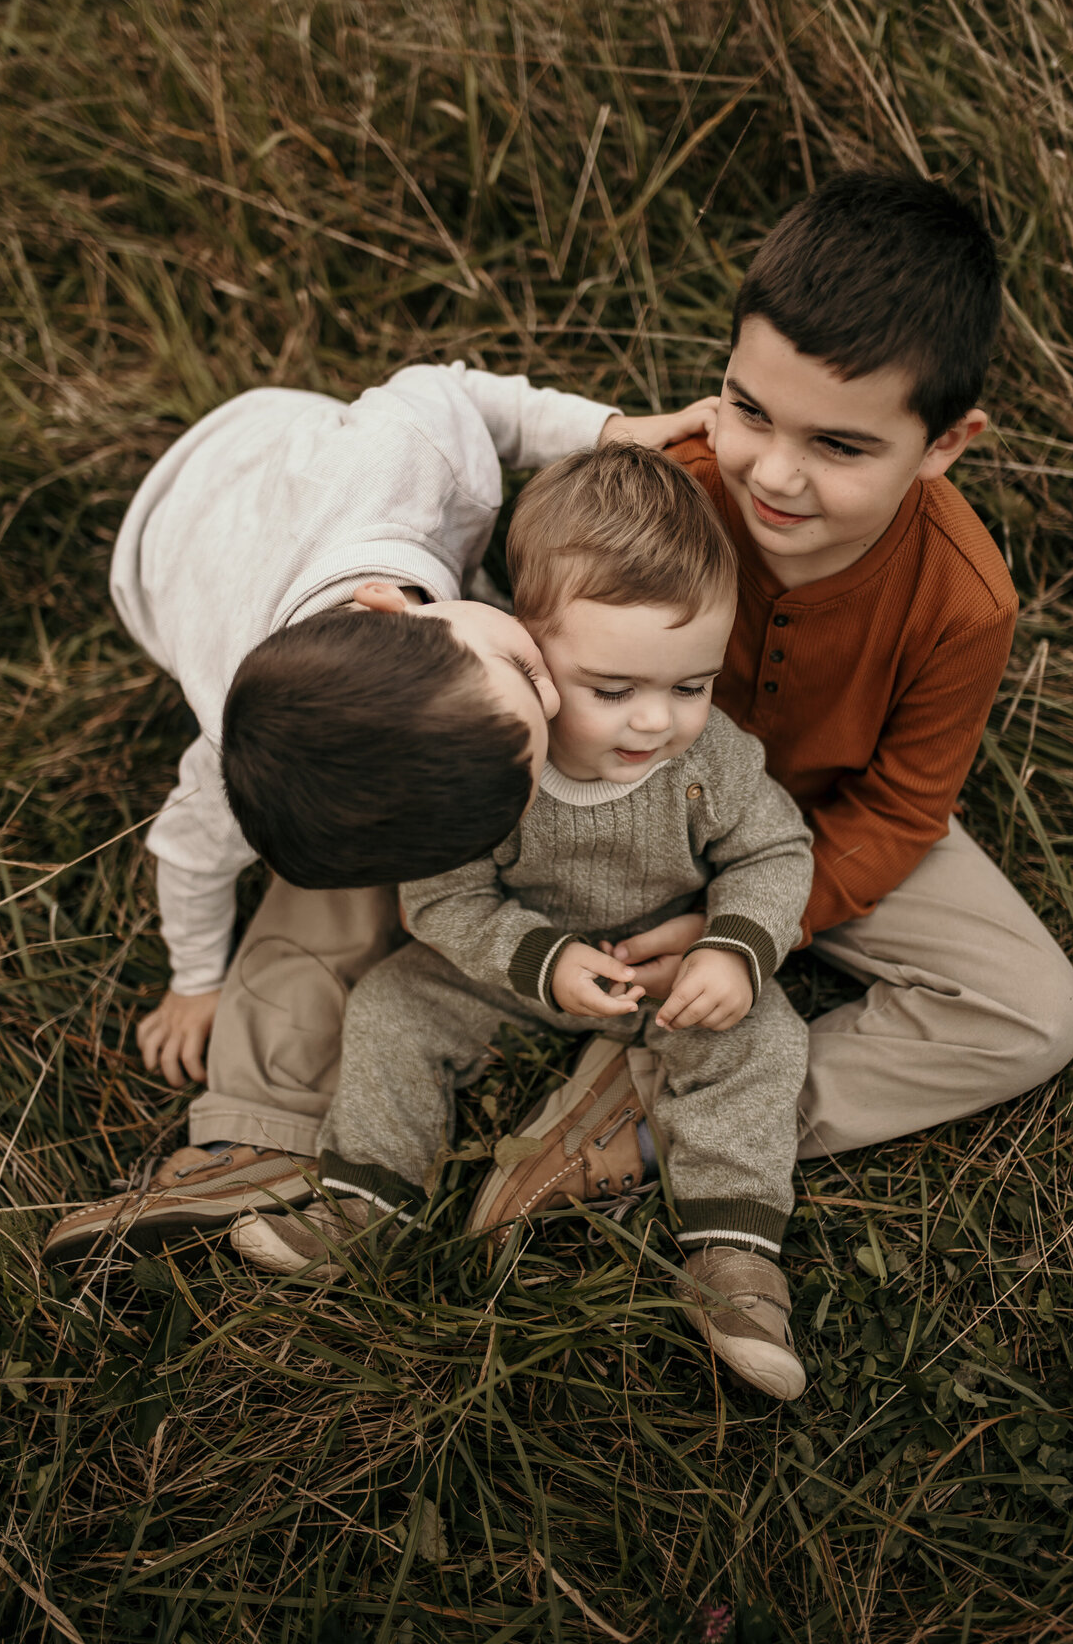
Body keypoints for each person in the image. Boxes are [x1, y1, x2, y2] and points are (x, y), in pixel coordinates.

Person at [42, 366, 714, 1266]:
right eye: (528, 679)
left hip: (272, 434)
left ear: (395, 609)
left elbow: (464, 392)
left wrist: (611, 428)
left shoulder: (403, 457)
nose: (554, 692)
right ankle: (261, 1137)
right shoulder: (224, 756)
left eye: (526, 684)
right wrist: (192, 979)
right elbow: (188, 855)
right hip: (160, 556)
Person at [496, 170, 1073, 1191]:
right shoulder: (666, 490)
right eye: (751, 411)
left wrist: (750, 929)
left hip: (808, 826)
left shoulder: (965, 599)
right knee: (398, 791)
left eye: (840, 445)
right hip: (608, 781)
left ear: (945, 444)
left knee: (1034, 1012)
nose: (771, 472)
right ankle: (274, 1110)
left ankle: (661, 1119)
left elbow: (903, 811)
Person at [234, 444, 815, 1398]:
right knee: (390, 1004)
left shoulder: (711, 760)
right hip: (514, 969)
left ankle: (736, 1259)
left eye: (690, 684)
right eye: (613, 690)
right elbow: (442, 899)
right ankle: (363, 1200)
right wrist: (539, 961)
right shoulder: (495, 763)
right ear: (529, 648)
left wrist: (736, 947)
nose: (654, 724)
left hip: (657, 975)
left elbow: (775, 850)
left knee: (763, 1039)